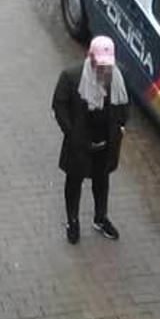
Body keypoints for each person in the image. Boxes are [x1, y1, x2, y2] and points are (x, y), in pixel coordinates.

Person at [52, 35, 130, 244]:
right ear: (90, 57)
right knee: (74, 181)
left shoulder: (117, 77)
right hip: (80, 144)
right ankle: (73, 220)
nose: (104, 70)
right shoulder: (71, 77)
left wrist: (121, 126)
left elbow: (123, 106)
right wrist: (72, 133)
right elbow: (59, 106)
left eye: (108, 65)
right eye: (100, 65)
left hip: (105, 144)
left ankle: (100, 217)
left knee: (102, 181)